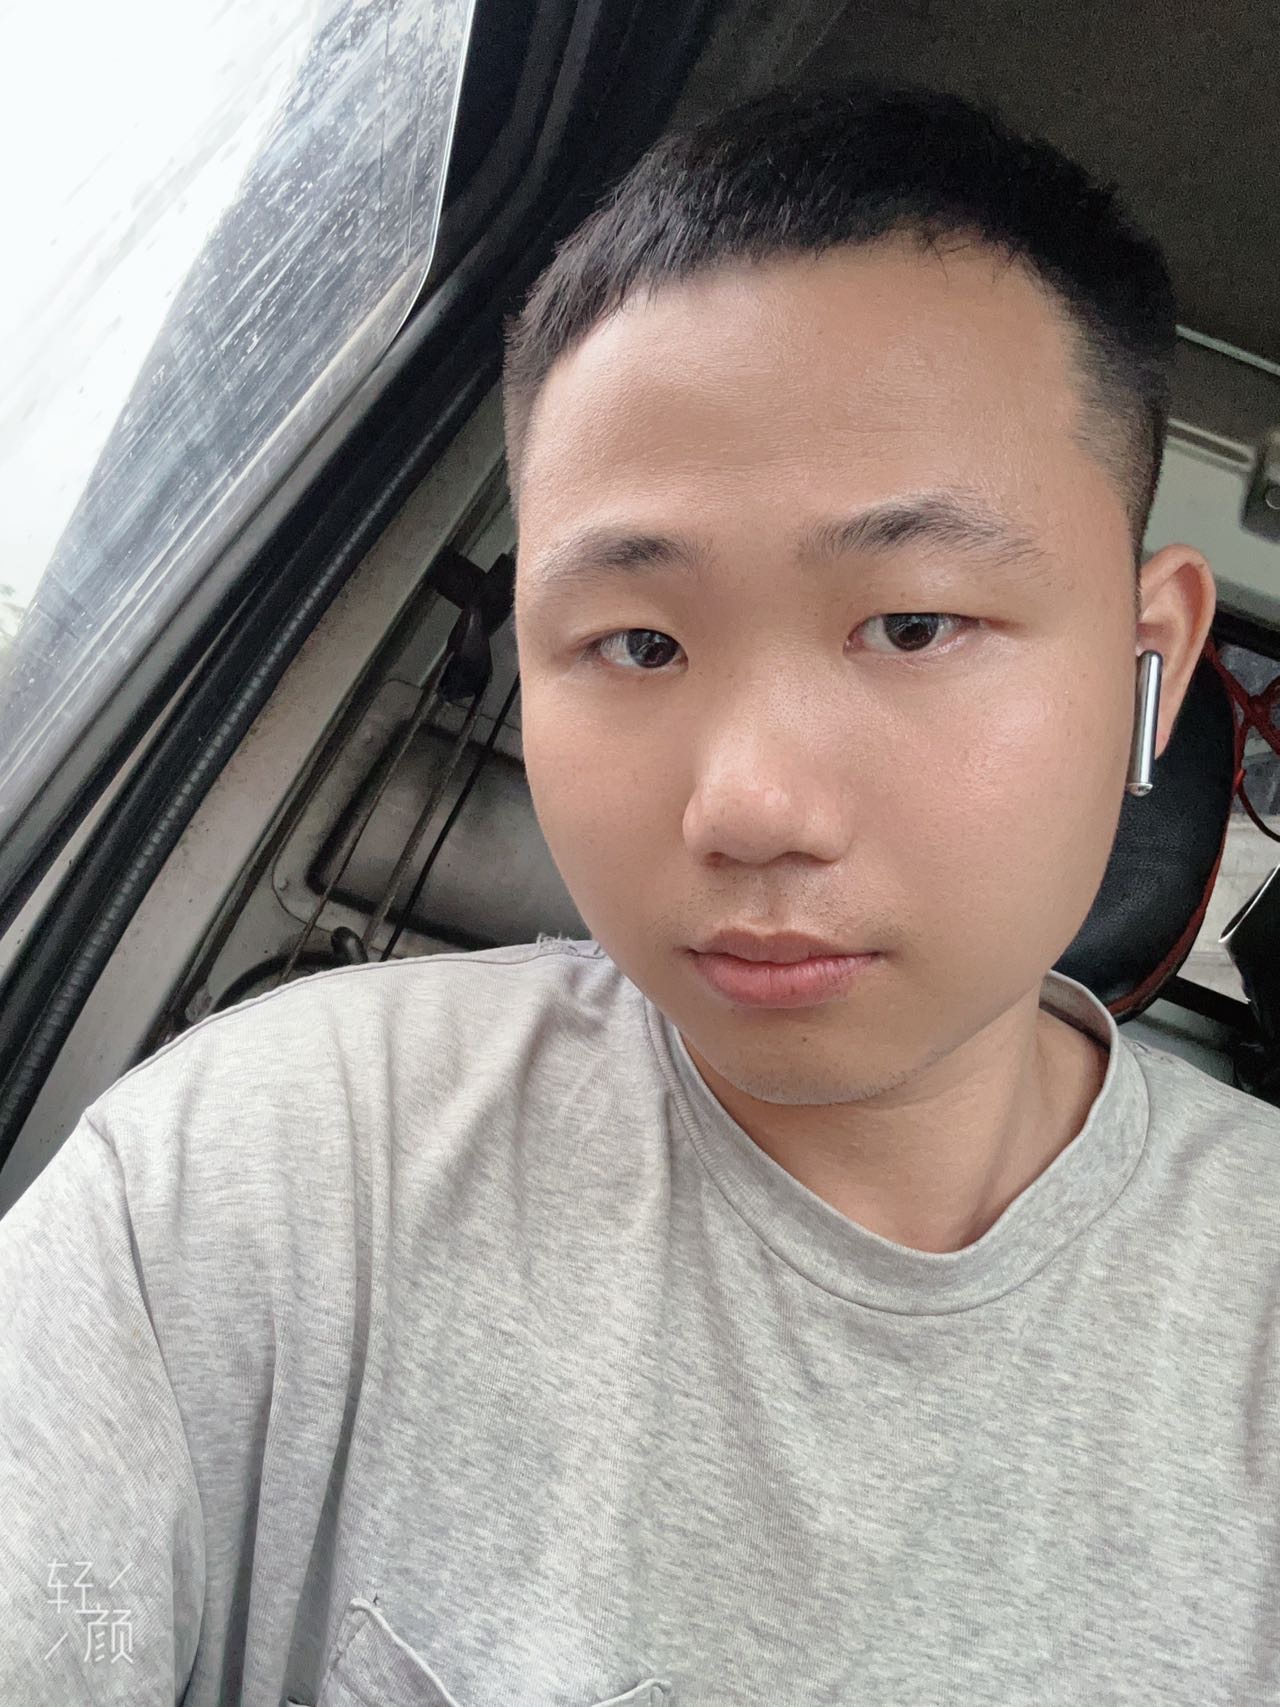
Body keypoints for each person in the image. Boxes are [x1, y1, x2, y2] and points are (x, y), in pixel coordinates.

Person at [0, 79, 1272, 1707]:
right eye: (639, 642)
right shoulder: (264, 1173)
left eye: (913, 624)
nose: (751, 806)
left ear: (1148, 661)